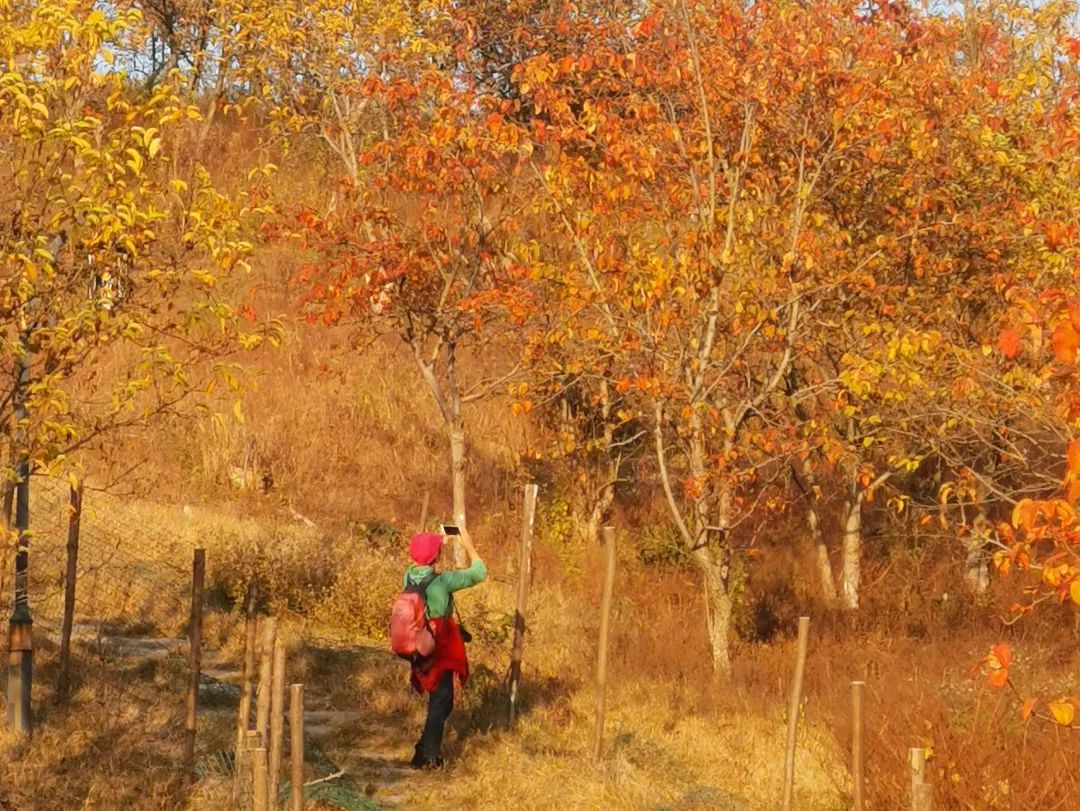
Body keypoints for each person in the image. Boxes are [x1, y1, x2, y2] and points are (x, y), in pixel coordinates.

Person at [403, 521, 487, 769]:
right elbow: (479, 572)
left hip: (418, 642)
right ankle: (429, 756)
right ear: (435, 556)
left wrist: (439, 542)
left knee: (437, 698)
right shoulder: (443, 582)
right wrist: (469, 546)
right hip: (439, 644)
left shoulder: (408, 575)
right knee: (443, 699)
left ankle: (422, 751)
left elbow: (423, 560)